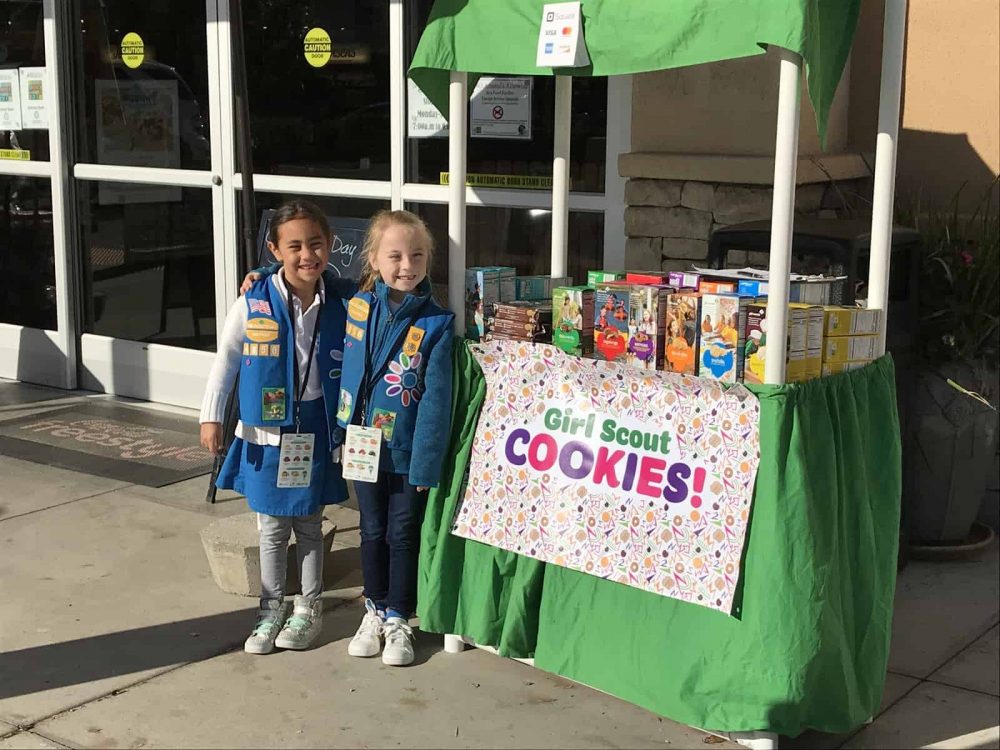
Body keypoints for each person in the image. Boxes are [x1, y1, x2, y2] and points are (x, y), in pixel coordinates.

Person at [244, 209, 454, 667]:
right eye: (395, 255)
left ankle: (399, 616)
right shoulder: (355, 301)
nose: (406, 265)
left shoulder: (438, 323)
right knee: (371, 530)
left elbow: (436, 403)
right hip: (361, 444)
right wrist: (262, 272)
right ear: (372, 260)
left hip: (405, 451)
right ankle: (374, 610)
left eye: (417, 255)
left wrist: (426, 462)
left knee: (402, 532)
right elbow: (300, 276)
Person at [199, 200, 354, 655]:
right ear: (275, 249)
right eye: (295, 247)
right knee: (271, 526)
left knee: (309, 523)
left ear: (330, 246)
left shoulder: (343, 299)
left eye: (316, 244)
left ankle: (308, 608)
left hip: (315, 427)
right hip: (267, 432)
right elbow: (226, 362)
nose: (307, 255)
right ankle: (270, 609)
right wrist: (212, 415)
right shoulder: (254, 300)